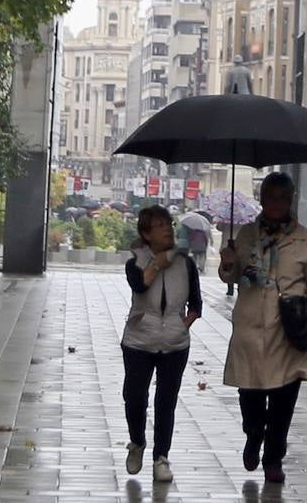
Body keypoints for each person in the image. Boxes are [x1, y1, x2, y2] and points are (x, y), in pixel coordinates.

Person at [218, 172, 307, 484]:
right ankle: (253, 433)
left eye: (282, 197)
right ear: (262, 199)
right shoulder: (245, 235)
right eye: (270, 197)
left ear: (290, 200)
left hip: (288, 331)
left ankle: (273, 458)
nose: (276, 203)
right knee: (251, 396)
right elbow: (230, 277)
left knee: (283, 403)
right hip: (249, 327)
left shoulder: (304, 238)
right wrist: (229, 262)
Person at [122, 205, 202, 483]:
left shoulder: (186, 263)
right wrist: (157, 263)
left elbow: (196, 305)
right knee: (134, 398)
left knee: (165, 402)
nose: (168, 228)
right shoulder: (135, 262)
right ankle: (137, 442)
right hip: (138, 341)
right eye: (159, 225)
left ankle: (161, 458)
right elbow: (141, 286)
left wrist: (182, 327)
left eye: (168, 222)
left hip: (175, 345)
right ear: (146, 233)